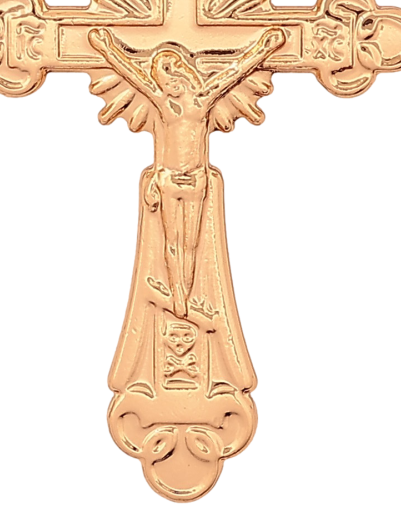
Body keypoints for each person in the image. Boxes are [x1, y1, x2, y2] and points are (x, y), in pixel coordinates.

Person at [88, 27, 285, 317]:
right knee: (172, 240)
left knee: (191, 243)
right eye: (163, 76)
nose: (170, 81)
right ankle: (177, 292)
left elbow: (235, 72)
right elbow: (133, 75)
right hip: (168, 179)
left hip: (195, 180)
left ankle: (187, 290)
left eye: (173, 72)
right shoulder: (162, 103)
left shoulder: (202, 101)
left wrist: (264, 49)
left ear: (184, 74)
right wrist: (107, 49)